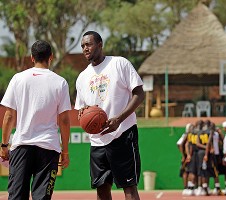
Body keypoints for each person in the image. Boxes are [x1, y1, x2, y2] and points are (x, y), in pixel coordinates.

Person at [75, 31, 145, 200]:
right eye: (83, 46)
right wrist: (84, 118)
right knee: (101, 190)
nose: (85, 48)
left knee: (129, 188)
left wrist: (118, 119)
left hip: (122, 134)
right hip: (97, 141)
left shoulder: (119, 64)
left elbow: (140, 94)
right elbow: (82, 111)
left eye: (89, 44)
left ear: (100, 45)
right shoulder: (82, 77)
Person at [0, 40, 71, 199]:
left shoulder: (18, 79)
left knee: (17, 196)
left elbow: (9, 115)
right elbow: (65, 120)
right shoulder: (60, 82)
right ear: (51, 57)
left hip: (22, 146)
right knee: (42, 197)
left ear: (32, 58)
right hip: (48, 147)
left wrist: (4, 145)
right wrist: (65, 151)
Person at [177, 123, 191, 195]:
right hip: (186, 156)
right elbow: (179, 144)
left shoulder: (191, 135)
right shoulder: (185, 135)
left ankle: (190, 187)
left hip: (190, 156)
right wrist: (183, 155)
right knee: (185, 172)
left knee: (190, 172)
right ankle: (185, 187)